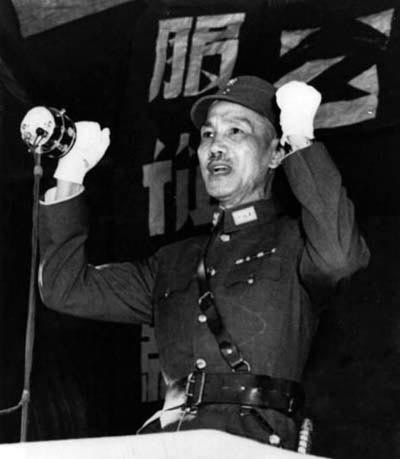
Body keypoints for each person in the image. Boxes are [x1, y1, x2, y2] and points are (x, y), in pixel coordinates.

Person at [38, 76, 370, 450]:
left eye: (235, 132)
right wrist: (70, 173)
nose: (216, 146)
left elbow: (341, 257)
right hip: (168, 442)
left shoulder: (295, 242)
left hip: (256, 442)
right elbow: (65, 289)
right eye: (208, 135)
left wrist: (299, 139)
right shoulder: (173, 261)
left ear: (275, 154)